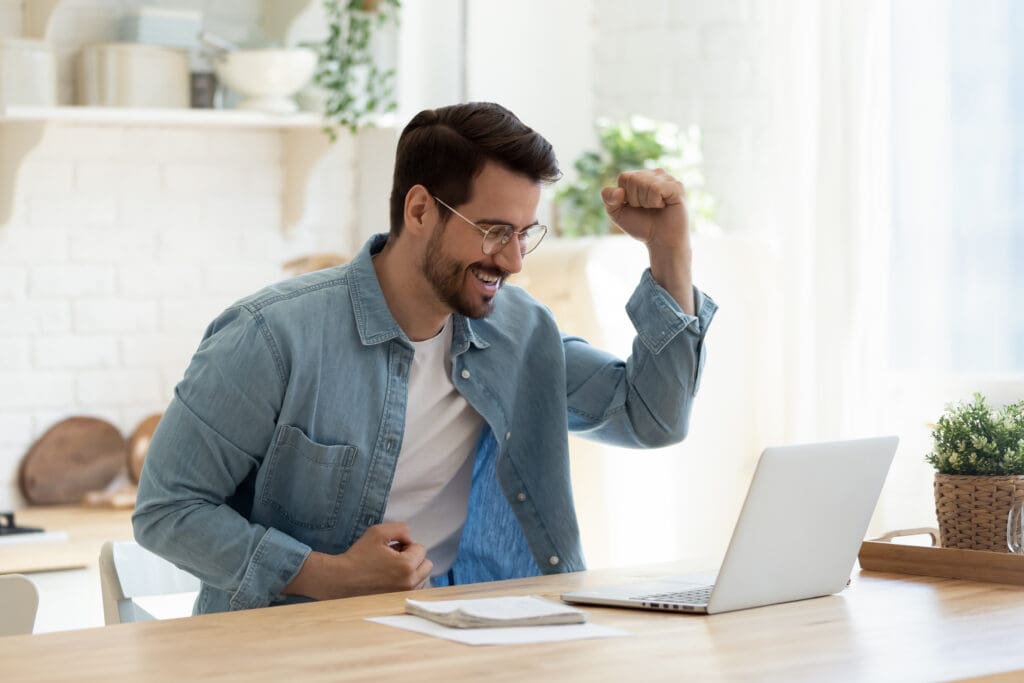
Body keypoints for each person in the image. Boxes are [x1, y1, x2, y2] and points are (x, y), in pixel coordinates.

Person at [133, 102, 717, 614]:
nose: (513, 261)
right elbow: (168, 509)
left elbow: (653, 419)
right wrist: (329, 576)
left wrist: (670, 251)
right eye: (492, 231)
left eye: (523, 233)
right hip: (294, 645)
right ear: (419, 211)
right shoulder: (272, 335)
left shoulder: (519, 331)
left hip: (475, 634)